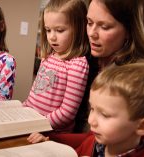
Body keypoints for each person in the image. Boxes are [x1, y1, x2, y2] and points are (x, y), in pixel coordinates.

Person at [75, 0, 144, 156]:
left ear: (128, 30)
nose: (92, 33)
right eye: (89, 22)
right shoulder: (89, 59)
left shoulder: (140, 73)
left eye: (104, 26)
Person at [28, 63, 144, 157]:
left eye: (105, 115)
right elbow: (84, 139)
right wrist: (49, 139)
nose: (91, 120)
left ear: (142, 126)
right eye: (93, 109)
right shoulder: (105, 138)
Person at [23, 0, 89, 132]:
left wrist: (38, 124)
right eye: (48, 30)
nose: (52, 37)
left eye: (59, 30)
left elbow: (67, 113)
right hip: (31, 124)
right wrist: (23, 108)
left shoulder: (77, 65)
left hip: (52, 133)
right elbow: (35, 93)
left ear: (79, 29)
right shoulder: (48, 56)